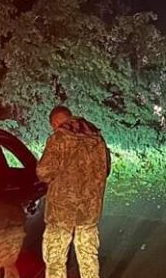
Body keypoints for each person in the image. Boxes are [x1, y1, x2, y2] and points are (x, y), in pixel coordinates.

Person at [37, 106, 110, 278]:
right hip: (89, 210)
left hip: (61, 211)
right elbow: (106, 169)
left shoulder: (59, 139)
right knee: (88, 256)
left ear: (55, 122)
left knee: (55, 259)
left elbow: (44, 171)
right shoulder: (97, 139)